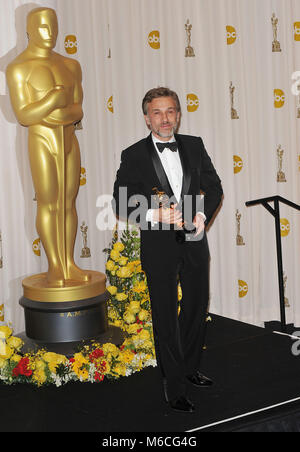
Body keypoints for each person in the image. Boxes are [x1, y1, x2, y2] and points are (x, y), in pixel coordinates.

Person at [112, 87, 223, 413]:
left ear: (178, 114)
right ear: (147, 118)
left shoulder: (194, 145)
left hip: (194, 238)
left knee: (196, 306)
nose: (165, 118)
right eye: (158, 112)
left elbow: (214, 186)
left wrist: (202, 215)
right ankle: (173, 386)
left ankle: (189, 368)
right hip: (158, 243)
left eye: (171, 111)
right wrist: (152, 213)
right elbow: (120, 201)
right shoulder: (133, 154)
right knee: (165, 316)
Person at [6, 7, 90, 287]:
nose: (50, 33)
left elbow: (77, 110)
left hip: (68, 138)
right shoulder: (19, 68)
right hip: (41, 140)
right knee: (48, 202)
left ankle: (69, 263)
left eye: (53, 26)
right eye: (43, 27)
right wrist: (53, 102)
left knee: (68, 202)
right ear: (29, 29)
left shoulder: (70, 65)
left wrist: (56, 113)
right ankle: (55, 265)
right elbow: (24, 116)